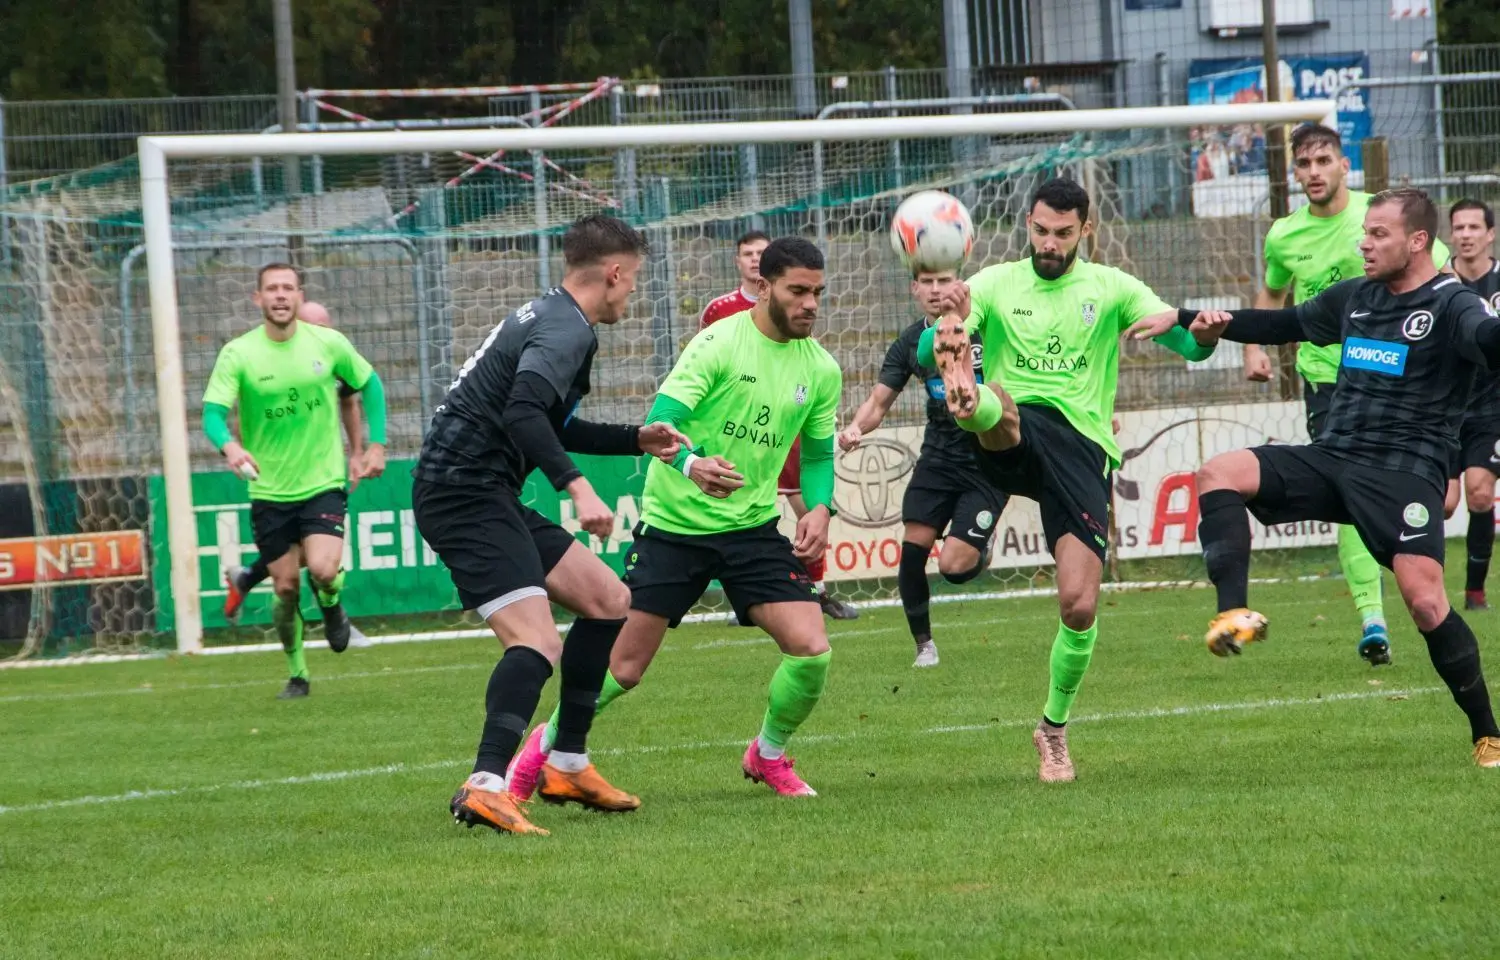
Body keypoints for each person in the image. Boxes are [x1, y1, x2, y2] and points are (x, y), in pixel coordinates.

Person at [1126, 188, 1500, 769]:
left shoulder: (1453, 305)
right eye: (1366, 232)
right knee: (1219, 473)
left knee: (1426, 603)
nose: (1364, 242)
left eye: (1379, 234)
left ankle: (1488, 733)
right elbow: (1284, 323)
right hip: (1335, 456)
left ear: (1418, 241)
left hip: (1404, 474)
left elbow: (1484, 338)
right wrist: (1185, 318)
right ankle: (1234, 614)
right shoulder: (1356, 297)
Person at [508, 237, 843, 800]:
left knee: (811, 650)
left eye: (817, 293)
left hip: (751, 530)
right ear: (764, 286)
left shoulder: (822, 369)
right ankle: (540, 753)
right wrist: (692, 465)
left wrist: (822, 509)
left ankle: (768, 755)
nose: (810, 303)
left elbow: (817, 455)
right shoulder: (717, 344)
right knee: (624, 669)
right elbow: (662, 420)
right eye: (798, 291)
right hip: (674, 529)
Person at [920, 177, 1217, 783]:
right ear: (1026, 224)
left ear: (1086, 231)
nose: (1049, 243)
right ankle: (968, 398)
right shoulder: (996, 283)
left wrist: (1203, 336)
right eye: (1039, 231)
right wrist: (947, 323)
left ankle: (1052, 730)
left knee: (1079, 606)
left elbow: (1188, 346)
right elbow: (931, 344)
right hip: (1014, 429)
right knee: (1001, 407)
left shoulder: (1112, 288)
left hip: (1082, 449)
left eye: (1062, 233)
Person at [412, 215, 691, 836]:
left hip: (482, 490)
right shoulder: (567, 329)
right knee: (537, 642)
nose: (633, 292)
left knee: (609, 600)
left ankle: (565, 762)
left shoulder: (548, 315)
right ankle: (486, 783)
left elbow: (543, 419)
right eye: (634, 280)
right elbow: (522, 413)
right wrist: (577, 485)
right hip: (463, 494)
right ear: (614, 273)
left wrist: (634, 440)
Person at [1241, 123, 1450, 667]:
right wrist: (1250, 347)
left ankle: (1416, 582)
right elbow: (1272, 292)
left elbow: (1442, 279)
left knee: (1403, 500)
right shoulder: (1285, 235)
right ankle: (1371, 617)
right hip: (1327, 381)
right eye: (1303, 164)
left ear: (1343, 165)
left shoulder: (1381, 216)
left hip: (1397, 386)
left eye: (1323, 161)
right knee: (1349, 496)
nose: (1313, 172)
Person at [202, 265, 388, 698]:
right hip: (268, 490)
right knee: (284, 587)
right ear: (258, 299)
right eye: (272, 289)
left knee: (323, 569)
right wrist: (229, 446)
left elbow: (370, 384)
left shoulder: (329, 343)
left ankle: (331, 604)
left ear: (299, 297)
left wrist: (374, 445)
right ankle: (298, 673)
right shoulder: (239, 353)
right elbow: (212, 413)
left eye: (288, 288)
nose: (280, 296)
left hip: (322, 480)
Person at [838, 265, 1007, 667]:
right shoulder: (912, 342)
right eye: (927, 283)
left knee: (954, 567)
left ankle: (978, 551)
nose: (936, 290)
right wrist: (855, 428)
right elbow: (879, 401)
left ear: (961, 285)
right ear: (914, 289)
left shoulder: (990, 328)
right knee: (913, 549)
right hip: (940, 458)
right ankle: (924, 646)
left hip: (990, 460)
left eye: (944, 280)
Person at [701, 229, 858, 620]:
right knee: (729, 509)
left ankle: (816, 590)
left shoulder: (798, 313)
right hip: (735, 433)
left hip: (783, 425)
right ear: (742, 265)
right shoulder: (721, 312)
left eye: (760, 252)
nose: (754, 258)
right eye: (747, 253)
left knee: (811, 509)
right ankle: (741, 592)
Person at [223, 301, 371, 647]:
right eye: (315, 326)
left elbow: (350, 402)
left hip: (321, 472)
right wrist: (241, 453)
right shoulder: (271, 361)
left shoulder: (333, 356)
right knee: (294, 569)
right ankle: (320, 632)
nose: (323, 332)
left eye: (327, 325)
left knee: (318, 558)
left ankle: (248, 578)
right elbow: (247, 416)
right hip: (277, 479)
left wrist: (358, 451)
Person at [1440, 199, 1500, 610]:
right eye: (1458, 228)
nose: (1465, 234)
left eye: (1473, 227)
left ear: (1490, 234)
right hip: (1444, 409)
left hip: (1491, 409)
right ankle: (1426, 588)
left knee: (1479, 495)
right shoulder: (1441, 286)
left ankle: (1474, 592)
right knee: (1444, 504)